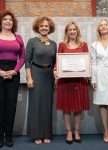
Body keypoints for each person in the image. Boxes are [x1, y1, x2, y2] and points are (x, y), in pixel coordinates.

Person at [55, 21, 90, 144]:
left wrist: (88, 71)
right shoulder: (62, 45)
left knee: (78, 107)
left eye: (74, 29)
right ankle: (69, 131)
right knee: (66, 107)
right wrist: (55, 70)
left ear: (77, 31)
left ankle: (76, 130)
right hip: (65, 82)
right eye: (69, 30)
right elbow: (57, 62)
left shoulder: (84, 45)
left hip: (79, 81)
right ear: (66, 32)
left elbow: (87, 61)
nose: (72, 31)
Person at [25, 16, 56, 144]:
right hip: (36, 74)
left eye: (46, 26)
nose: (44, 28)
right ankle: (37, 134)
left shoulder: (54, 44)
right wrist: (29, 78)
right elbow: (27, 61)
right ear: (37, 27)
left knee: (47, 106)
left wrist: (55, 79)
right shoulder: (32, 41)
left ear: (50, 28)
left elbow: (55, 63)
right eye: (42, 26)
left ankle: (46, 134)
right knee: (36, 105)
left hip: (49, 76)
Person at [0, 10, 25, 147]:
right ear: (1, 22)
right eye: (5, 19)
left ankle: (8, 136)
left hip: (13, 73)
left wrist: (15, 71)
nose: (8, 21)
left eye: (10, 19)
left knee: (11, 106)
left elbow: (22, 57)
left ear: (13, 23)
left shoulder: (18, 38)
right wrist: (0, 72)